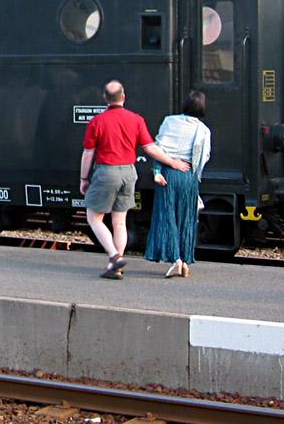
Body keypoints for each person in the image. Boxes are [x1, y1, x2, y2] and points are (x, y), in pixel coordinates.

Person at [79, 80, 190, 279]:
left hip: (106, 172)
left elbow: (88, 153)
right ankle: (116, 268)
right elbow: (150, 148)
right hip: (129, 173)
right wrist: (172, 162)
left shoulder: (97, 121)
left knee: (94, 218)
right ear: (123, 97)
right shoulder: (136, 120)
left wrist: (83, 179)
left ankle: (114, 257)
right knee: (119, 222)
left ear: (105, 98)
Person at [145, 91, 212, 278]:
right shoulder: (204, 130)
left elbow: (158, 148)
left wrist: (157, 172)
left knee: (168, 216)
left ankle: (176, 259)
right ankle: (184, 259)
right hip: (189, 175)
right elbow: (204, 157)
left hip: (169, 173)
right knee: (187, 219)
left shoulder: (169, 121)